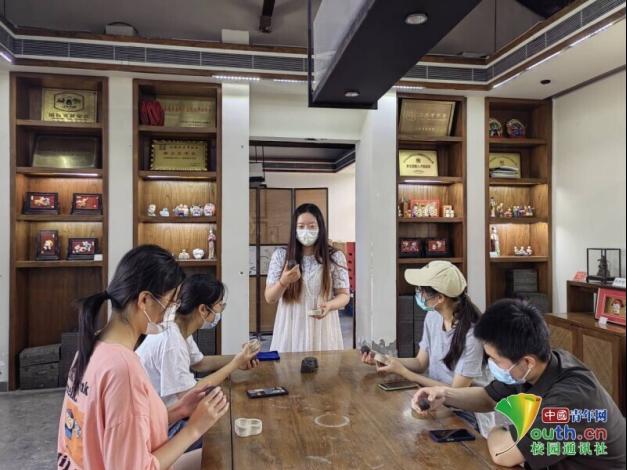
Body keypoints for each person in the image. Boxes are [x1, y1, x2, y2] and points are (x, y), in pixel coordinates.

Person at [57, 245, 230, 470]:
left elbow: (119, 430)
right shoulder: (123, 369)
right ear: (145, 300)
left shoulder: (91, 346)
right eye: (170, 303)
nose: (172, 312)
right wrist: (194, 429)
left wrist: (180, 409)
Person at [412, 299, 626, 469]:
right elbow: (488, 397)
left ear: (527, 362)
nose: (491, 365)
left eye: (495, 360)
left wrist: (496, 429)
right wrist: (444, 394)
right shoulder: (536, 367)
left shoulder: (571, 401)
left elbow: (503, 454)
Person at [360, 261, 492, 431]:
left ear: (440, 298)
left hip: (464, 412)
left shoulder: (472, 335)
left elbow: (455, 393)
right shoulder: (433, 317)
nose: (419, 294)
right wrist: (386, 360)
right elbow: (420, 363)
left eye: (421, 290)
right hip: (433, 400)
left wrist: (405, 373)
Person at [137, 274, 259, 449]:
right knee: (224, 438)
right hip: (160, 427)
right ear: (203, 309)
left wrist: (239, 358)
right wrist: (235, 364)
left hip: (168, 415)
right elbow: (191, 395)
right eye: (219, 305)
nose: (219, 312)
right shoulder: (171, 342)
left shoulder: (177, 327)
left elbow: (200, 363)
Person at [265, 203, 350, 352]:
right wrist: (283, 282)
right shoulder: (281, 256)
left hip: (323, 329)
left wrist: (330, 305)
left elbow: (344, 295)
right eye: (301, 226)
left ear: (320, 228)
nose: (306, 231)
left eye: (312, 226)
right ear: (294, 229)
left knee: (325, 366)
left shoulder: (334, 257)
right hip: (291, 328)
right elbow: (270, 298)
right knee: (289, 366)